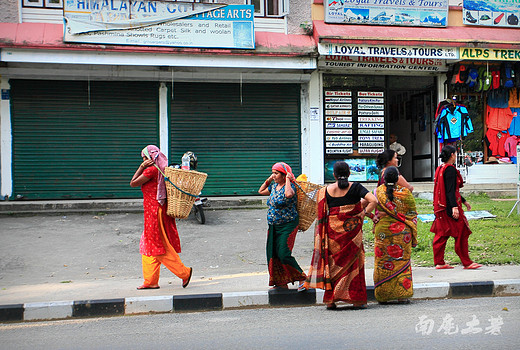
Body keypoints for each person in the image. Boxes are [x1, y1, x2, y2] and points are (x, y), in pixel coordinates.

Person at [304, 161, 378, 310]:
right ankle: (356, 300)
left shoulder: (324, 191)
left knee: (333, 265)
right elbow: (373, 200)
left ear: (334, 175)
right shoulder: (356, 187)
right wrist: (364, 214)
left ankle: (331, 300)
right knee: (354, 265)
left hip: (332, 233)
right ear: (350, 173)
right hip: (352, 233)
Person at [130, 145, 193, 290]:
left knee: (158, 246)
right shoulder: (161, 169)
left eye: (144, 157)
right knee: (147, 244)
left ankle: (184, 273)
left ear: (150, 158)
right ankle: (150, 280)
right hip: (156, 209)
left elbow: (133, 183)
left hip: (155, 211)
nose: (144, 160)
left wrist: (141, 167)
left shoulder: (151, 170)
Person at [430, 145, 482, 270]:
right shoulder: (450, 169)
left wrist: (464, 201)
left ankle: (439, 262)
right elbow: (450, 190)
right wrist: (455, 207)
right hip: (449, 206)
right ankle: (467, 262)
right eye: (455, 153)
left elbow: (450, 189)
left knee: (441, 235)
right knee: (462, 232)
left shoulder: (440, 168)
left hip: (440, 207)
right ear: (452, 155)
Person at [258, 162, 306, 290]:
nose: (274, 176)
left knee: (284, 253)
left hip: (288, 225)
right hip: (273, 225)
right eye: (273, 173)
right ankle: (281, 283)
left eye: (276, 173)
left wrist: (289, 180)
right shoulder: (273, 186)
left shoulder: (291, 187)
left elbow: (288, 195)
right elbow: (261, 191)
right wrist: (269, 180)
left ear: (284, 175)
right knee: (273, 254)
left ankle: (302, 278)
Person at [373, 166, 418, 304]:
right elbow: (412, 214)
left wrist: (374, 216)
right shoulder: (405, 193)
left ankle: (383, 296)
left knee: (382, 263)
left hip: (383, 232)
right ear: (398, 179)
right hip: (402, 233)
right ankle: (402, 296)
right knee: (401, 262)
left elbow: (366, 205)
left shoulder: (377, 192)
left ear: (384, 178)